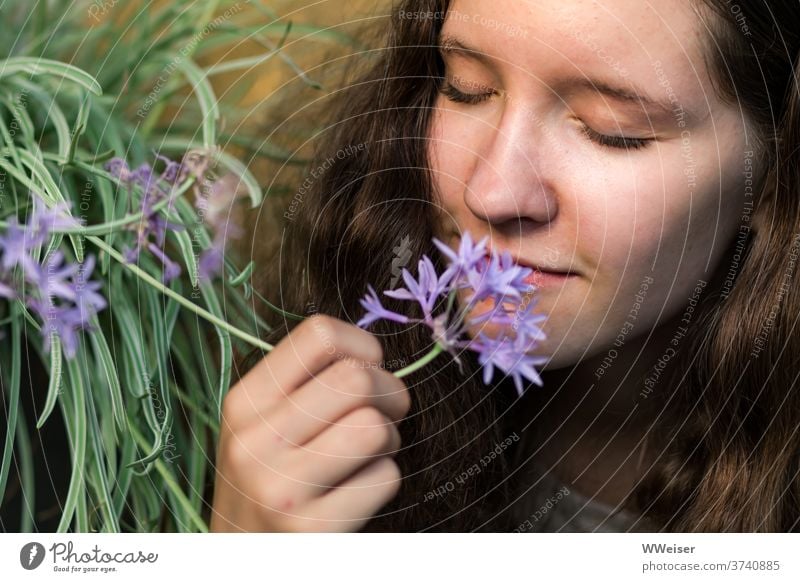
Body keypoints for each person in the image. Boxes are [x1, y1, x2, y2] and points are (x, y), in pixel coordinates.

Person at [209, 0, 800, 532]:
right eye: (466, 88)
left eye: (610, 132)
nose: (491, 193)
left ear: (773, 177)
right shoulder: (301, 424)